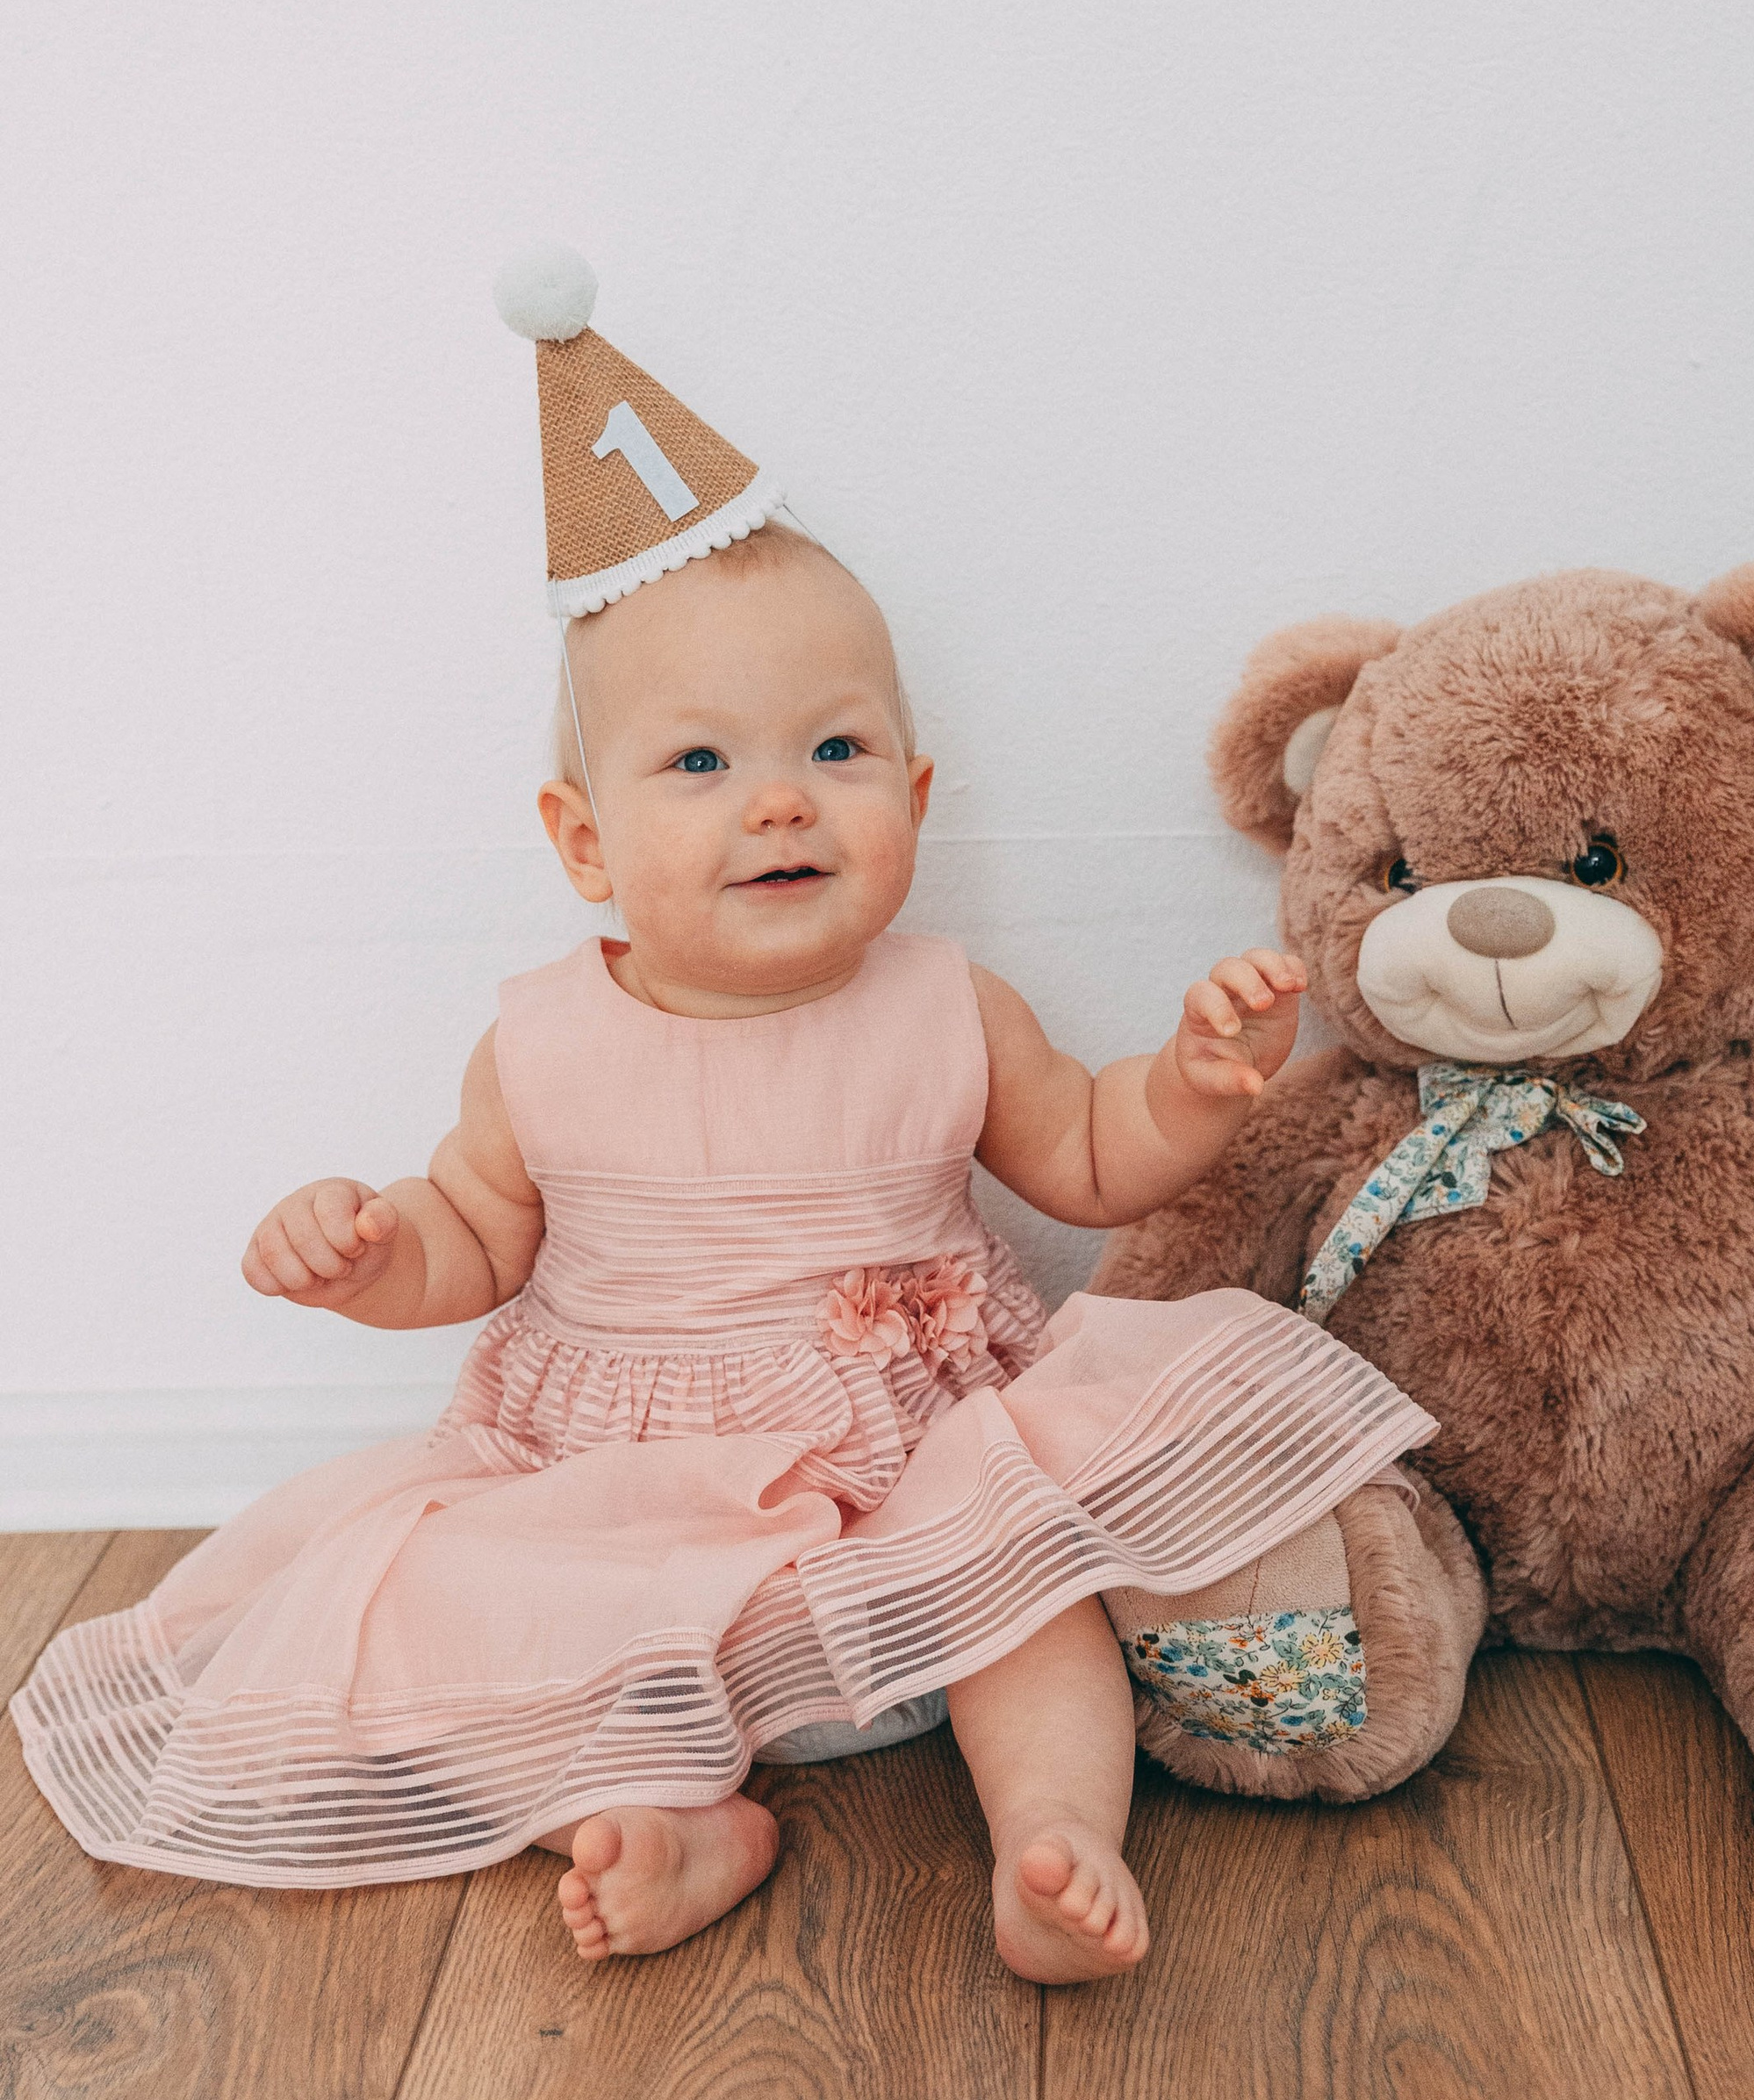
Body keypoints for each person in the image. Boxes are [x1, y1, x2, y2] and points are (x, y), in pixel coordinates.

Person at [15, 252, 1432, 1981]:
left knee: (1036, 1602)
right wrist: (371, 1252)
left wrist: (1190, 1089)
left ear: (909, 797)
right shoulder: (538, 1045)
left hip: (913, 1488)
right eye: (697, 765)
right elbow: (470, 1236)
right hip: (624, 1500)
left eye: (834, 750)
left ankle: (1053, 1832)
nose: (776, 799)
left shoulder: (940, 1004)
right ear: (584, 843)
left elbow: (1080, 1155)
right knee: (466, 1648)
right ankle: (683, 1826)